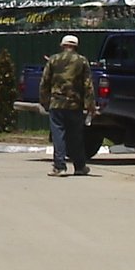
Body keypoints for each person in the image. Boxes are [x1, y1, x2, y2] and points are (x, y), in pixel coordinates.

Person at [38, 32, 94, 176]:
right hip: (75, 104)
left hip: (56, 104)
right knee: (76, 136)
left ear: (63, 46)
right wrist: (90, 105)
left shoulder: (53, 60)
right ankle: (80, 167)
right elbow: (88, 85)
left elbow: (44, 82)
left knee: (59, 134)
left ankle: (59, 166)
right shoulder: (82, 61)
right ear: (75, 46)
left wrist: (44, 101)